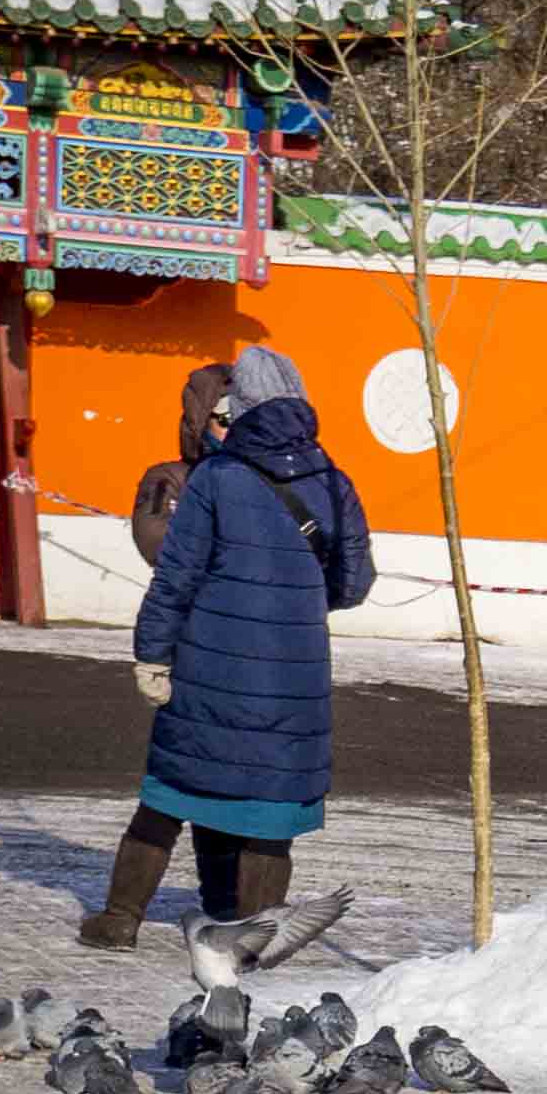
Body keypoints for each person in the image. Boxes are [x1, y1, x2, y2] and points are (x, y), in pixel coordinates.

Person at [83, 343, 374, 951]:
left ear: (239, 407)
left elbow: (176, 576)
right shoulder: (335, 481)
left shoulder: (216, 478)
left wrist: (152, 653)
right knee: (269, 810)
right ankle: (251, 939)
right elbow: (353, 584)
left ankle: (119, 920)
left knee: (172, 791)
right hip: (294, 678)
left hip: (207, 664)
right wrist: (292, 599)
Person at [129, 355, 233, 568]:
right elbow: (156, 542)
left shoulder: (274, 475)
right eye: (226, 419)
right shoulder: (171, 478)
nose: (236, 428)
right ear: (202, 422)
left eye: (246, 419)